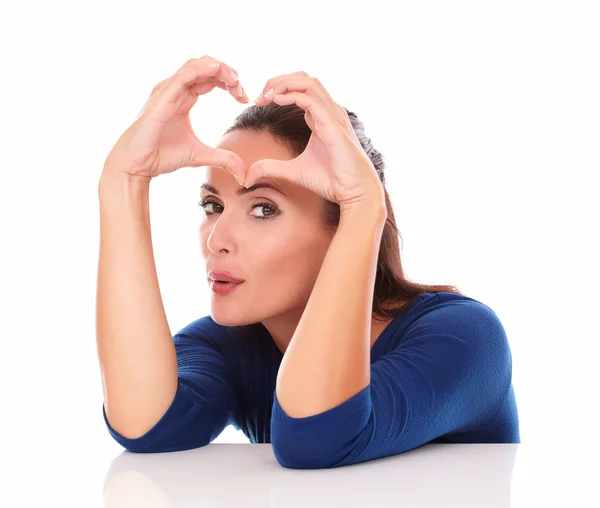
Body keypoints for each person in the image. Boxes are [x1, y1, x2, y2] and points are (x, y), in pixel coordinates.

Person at [97, 55, 520, 470]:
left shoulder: (464, 338)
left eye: (263, 209)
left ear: (341, 228)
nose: (217, 238)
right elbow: (145, 427)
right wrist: (123, 181)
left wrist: (363, 207)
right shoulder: (227, 344)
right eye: (212, 205)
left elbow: (317, 439)